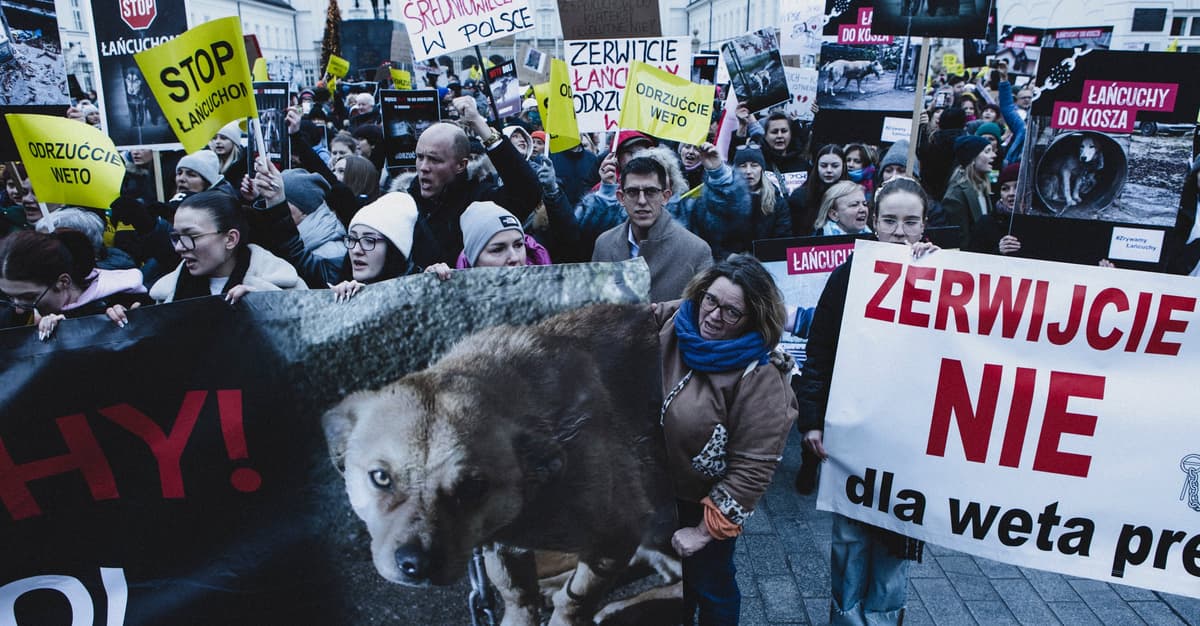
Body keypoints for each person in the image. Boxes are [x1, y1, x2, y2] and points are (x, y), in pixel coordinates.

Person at [796, 177, 936, 625]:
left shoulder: (944, 277)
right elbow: (819, 351)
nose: (899, 232)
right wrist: (812, 420)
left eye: (910, 222)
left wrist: (940, 274)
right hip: (854, 434)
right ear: (873, 222)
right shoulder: (848, 276)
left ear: (924, 225)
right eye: (890, 220)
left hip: (909, 442)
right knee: (850, 541)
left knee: (895, 547)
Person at [654, 254, 797, 625]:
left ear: (753, 318)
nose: (714, 316)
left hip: (703, 503)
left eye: (732, 312)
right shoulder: (678, 322)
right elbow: (618, 320)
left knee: (712, 585)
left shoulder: (761, 376)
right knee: (673, 584)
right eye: (711, 301)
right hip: (659, 492)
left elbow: (753, 470)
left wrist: (703, 531)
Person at [404, 96, 541, 268]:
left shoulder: (479, 200)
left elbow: (528, 192)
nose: (424, 167)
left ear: (461, 165)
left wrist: (478, 123)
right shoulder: (404, 205)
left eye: (434, 160)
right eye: (420, 157)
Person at [147, 191, 306, 304]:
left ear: (230, 239)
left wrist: (267, 306)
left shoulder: (283, 285)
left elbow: (308, 334)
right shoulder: (166, 294)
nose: (179, 247)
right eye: (176, 237)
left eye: (192, 236)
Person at [592, 156, 712, 302]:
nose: (642, 201)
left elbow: (702, 309)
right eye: (633, 192)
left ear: (665, 197)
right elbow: (595, 305)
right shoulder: (604, 244)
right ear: (621, 198)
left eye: (651, 192)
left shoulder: (696, 251)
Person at [0, 229, 150, 339]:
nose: (18, 310)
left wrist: (130, 323)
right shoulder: (12, 316)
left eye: (29, 297)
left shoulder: (124, 302)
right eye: (9, 297)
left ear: (63, 282)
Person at [424, 200, 552, 278]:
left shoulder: (549, 287)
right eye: (497, 249)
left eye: (518, 245)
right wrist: (432, 287)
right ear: (473, 261)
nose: (514, 258)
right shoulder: (457, 295)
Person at [721, 146, 790, 258]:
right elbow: (717, 240)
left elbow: (783, 240)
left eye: (754, 165)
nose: (748, 171)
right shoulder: (724, 201)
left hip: (768, 262)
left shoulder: (777, 202)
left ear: (762, 169)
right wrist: (728, 256)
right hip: (733, 263)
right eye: (743, 166)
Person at [941, 135, 995, 249]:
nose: (993, 155)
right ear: (972, 158)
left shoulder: (983, 187)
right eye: (987, 151)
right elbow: (961, 242)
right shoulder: (955, 196)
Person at [788, 144, 847, 236]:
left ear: (843, 167)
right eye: (824, 166)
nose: (829, 170)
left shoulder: (853, 194)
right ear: (816, 167)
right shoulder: (800, 196)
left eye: (835, 166)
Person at [967, 162, 1021, 256]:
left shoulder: (1038, 222)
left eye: (1017, 187)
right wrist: (998, 252)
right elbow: (973, 259)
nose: (1011, 193)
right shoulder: (986, 224)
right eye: (1005, 189)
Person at [209, 121, 246, 189]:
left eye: (223, 138)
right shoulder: (207, 164)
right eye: (214, 138)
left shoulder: (245, 167)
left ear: (234, 142)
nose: (217, 142)